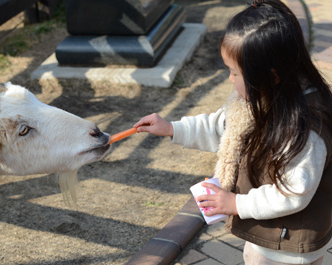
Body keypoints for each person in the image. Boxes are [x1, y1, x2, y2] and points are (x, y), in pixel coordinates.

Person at [133, 0, 332, 264]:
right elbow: (221, 129)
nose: (230, 80)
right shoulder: (258, 100)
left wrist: (236, 204)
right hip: (269, 235)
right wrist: (171, 128)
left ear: (271, 76)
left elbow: (293, 193)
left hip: (288, 246)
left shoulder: (305, 128)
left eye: (235, 73)